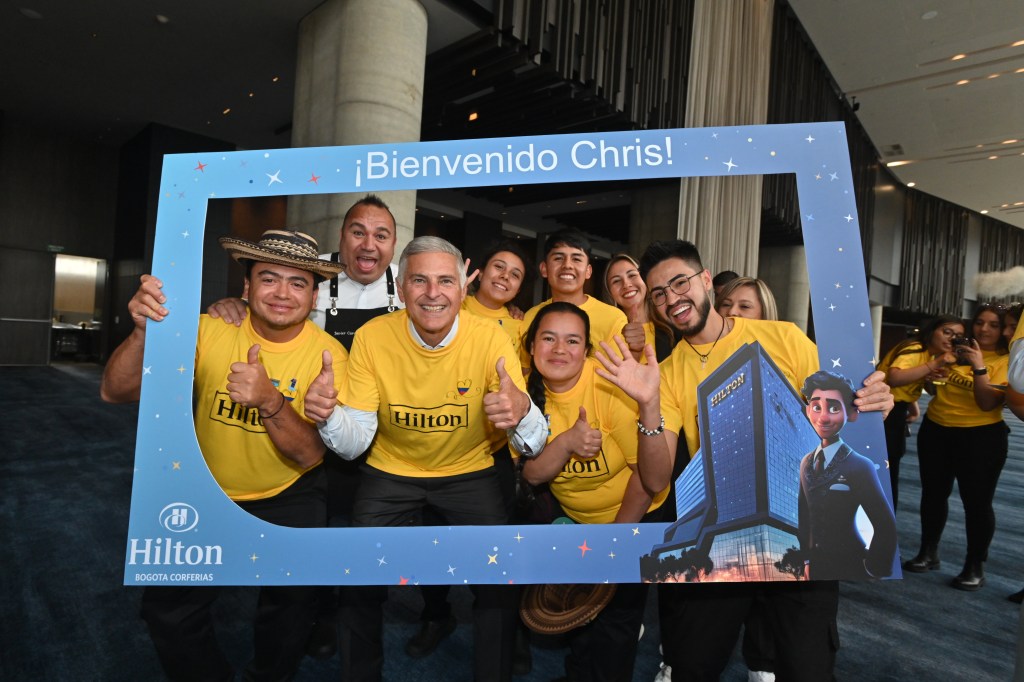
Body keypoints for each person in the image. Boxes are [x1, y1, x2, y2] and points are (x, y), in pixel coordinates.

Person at [594, 239, 893, 681]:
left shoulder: (783, 337)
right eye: (658, 293)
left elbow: (838, 415)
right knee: (692, 665)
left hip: (802, 532)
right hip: (721, 545)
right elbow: (657, 478)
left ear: (705, 280)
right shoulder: (669, 372)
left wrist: (870, 405)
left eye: (680, 283)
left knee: (807, 668)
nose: (672, 299)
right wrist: (648, 406)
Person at [101, 230, 348, 681]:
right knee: (166, 610)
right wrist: (141, 333)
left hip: (288, 492)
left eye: (298, 283)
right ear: (246, 288)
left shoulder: (330, 356)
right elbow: (115, 390)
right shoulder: (208, 330)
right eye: (268, 278)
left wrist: (270, 401)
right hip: (199, 490)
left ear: (314, 296)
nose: (282, 293)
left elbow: (312, 456)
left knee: (292, 609)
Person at [306, 236, 548, 682]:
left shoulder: (490, 339)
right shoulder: (374, 337)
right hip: (390, 469)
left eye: (444, 281)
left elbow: (533, 445)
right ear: (400, 289)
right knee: (358, 580)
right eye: (419, 280)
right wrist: (326, 417)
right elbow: (355, 442)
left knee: (497, 584)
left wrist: (522, 415)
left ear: (461, 288)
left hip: (470, 470)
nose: (432, 293)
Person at [209, 194, 406, 658]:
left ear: (394, 244)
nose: (368, 243)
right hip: (315, 425)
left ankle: (347, 617)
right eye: (358, 231)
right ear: (342, 238)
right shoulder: (311, 284)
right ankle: (314, 614)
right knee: (320, 534)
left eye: (381, 235)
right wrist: (229, 304)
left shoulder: (408, 290)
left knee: (365, 539)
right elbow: (270, 313)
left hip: (384, 433)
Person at [520, 302, 669, 681]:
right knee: (582, 612)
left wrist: (613, 542)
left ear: (586, 350)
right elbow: (533, 475)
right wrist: (567, 442)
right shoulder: (523, 397)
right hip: (577, 525)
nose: (559, 349)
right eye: (548, 338)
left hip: (633, 519)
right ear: (531, 345)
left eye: (573, 341)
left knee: (616, 627)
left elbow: (647, 479)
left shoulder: (608, 385)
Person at [902, 304, 1011, 591]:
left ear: (1003, 330)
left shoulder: (1006, 360)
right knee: (933, 495)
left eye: (993, 325)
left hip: (981, 436)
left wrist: (978, 365)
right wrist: (932, 380)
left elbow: (987, 402)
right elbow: (938, 389)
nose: (984, 329)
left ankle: (975, 564)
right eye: (979, 322)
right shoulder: (954, 351)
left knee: (976, 503)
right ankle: (928, 552)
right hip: (937, 428)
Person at [799, 371, 898, 580]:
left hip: (850, 561)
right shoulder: (806, 462)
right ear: (808, 411)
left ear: (851, 414)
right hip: (814, 564)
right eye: (816, 407)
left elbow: (885, 525)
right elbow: (804, 516)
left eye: (834, 408)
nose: (823, 417)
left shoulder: (859, 465)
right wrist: (805, 558)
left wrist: (874, 568)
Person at [880, 315, 964, 510]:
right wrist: (936, 363)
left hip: (894, 410)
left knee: (890, 466)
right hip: (884, 413)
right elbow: (894, 377)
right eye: (947, 332)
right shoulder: (916, 348)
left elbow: (907, 385)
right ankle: (883, 520)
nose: (951, 339)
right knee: (886, 469)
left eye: (957, 336)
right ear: (932, 330)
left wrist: (912, 405)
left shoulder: (926, 354)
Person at [519, 228, 627, 370]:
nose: (567, 265)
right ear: (544, 269)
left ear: (588, 271)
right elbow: (525, 371)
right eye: (558, 258)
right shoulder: (530, 317)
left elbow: (617, 375)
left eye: (576, 259)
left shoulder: (613, 318)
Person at [604, 252, 676, 362]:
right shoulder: (607, 336)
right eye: (616, 281)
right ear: (610, 292)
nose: (626, 284)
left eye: (632, 275)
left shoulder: (672, 328)